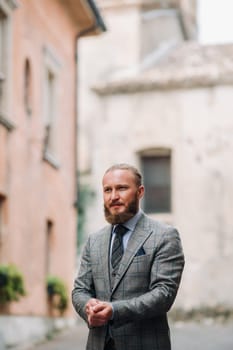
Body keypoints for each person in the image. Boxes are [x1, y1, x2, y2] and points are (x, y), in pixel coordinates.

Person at [72, 163, 185, 350]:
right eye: (107, 190)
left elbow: (164, 293)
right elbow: (79, 290)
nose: (113, 196)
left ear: (140, 192)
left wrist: (114, 311)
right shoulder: (94, 241)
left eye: (122, 188)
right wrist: (88, 306)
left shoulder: (164, 235)